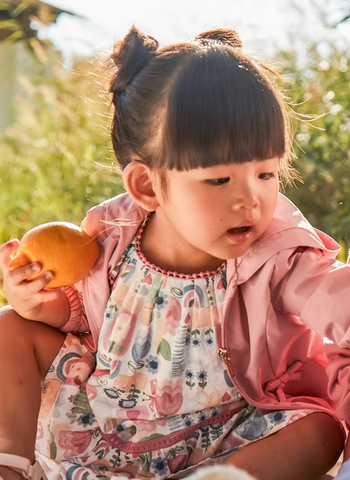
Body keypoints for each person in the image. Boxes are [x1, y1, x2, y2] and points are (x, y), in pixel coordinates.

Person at [0, 26, 348, 480]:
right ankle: (10, 463)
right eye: (219, 180)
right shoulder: (112, 237)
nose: (251, 200)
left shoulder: (277, 254)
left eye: (265, 173)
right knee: (9, 326)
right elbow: (88, 314)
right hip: (102, 423)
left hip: (224, 435)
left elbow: (333, 294)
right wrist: (41, 303)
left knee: (321, 432)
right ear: (146, 185)